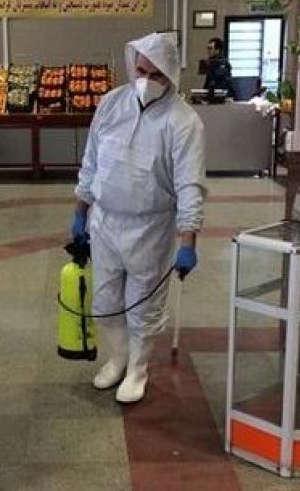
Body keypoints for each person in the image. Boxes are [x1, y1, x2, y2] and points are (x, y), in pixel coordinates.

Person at [72, 32, 207, 404]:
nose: (146, 81)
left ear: (171, 75)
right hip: (104, 222)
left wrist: (188, 241)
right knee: (105, 301)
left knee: (143, 306)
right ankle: (118, 358)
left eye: (156, 74)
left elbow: (190, 185)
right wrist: (80, 211)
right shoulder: (112, 104)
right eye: (141, 71)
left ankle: (137, 370)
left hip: (150, 228)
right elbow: (91, 161)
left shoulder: (184, 122)